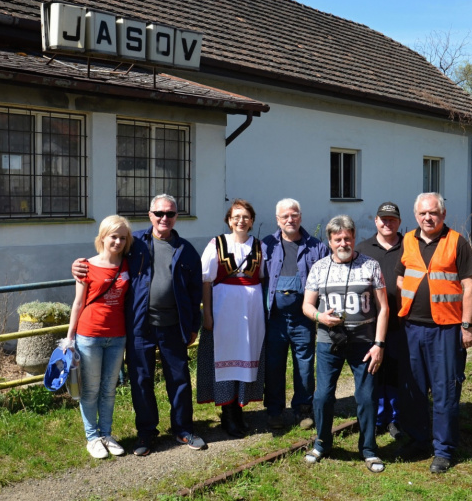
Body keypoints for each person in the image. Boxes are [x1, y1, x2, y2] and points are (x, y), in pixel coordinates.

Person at [72, 194, 206, 455]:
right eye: (159, 213)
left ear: (177, 216)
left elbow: (194, 292)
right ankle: (146, 433)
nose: (164, 218)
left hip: (173, 326)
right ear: (150, 215)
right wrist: (79, 265)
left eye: (170, 214)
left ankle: (183, 429)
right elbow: (107, 256)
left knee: (178, 379)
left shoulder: (186, 250)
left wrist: (193, 326)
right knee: (141, 381)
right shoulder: (136, 244)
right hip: (139, 326)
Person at [395, 192, 472, 473]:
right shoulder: (408, 240)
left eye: (433, 213)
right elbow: (400, 276)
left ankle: (443, 450)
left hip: (446, 329)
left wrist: (466, 326)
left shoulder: (457, 242)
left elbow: (471, 286)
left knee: (445, 391)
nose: (427, 218)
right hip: (411, 327)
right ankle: (419, 439)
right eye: (422, 213)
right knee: (414, 389)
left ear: (442, 215)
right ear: (415, 215)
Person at [301, 215, 389, 473]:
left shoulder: (370, 265)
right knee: (323, 396)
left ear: (353, 238)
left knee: (366, 397)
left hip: (364, 343)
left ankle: (369, 450)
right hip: (329, 342)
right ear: (330, 241)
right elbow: (306, 305)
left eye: (347, 238)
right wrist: (320, 316)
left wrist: (379, 344)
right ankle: (322, 442)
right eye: (337, 239)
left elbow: (384, 308)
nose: (343, 243)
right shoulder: (319, 268)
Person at [197, 199, 266, 438]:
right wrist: (207, 313)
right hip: (224, 312)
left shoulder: (259, 246)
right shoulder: (215, 244)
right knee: (226, 360)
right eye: (236, 216)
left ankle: (239, 410)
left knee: (245, 357)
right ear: (229, 220)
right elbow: (206, 280)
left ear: (252, 221)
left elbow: (264, 278)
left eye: (246, 216)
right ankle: (228, 413)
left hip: (252, 314)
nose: (241, 221)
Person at [66, 215, 132, 459]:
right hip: (90, 335)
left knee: (109, 389)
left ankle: (106, 433)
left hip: (117, 337)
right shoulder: (86, 266)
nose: (117, 241)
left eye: (122, 238)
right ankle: (92, 437)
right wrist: (69, 338)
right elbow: (78, 302)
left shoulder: (128, 263)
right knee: (90, 390)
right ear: (103, 237)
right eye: (113, 236)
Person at [263, 198, 329, 430]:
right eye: (285, 216)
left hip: (303, 319)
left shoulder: (317, 246)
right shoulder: (266, 245)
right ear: (277, 220)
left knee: (304, 365)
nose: (290, 220)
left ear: (300, 216)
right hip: (275, 320)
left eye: (294, 215)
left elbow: (325, 280)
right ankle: (274, 411)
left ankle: (303, 410)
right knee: (274, 365)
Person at [356, 202, 405, 441]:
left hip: (401, 323)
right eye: (383, 219)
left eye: (392, 219)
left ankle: (395, 419)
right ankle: (375, 417)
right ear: (375, 221)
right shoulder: (363, 248)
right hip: (369, 325)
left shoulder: (410, 247)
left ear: (399, 222)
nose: (387, 223)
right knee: (373, 371)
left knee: (395, 372)